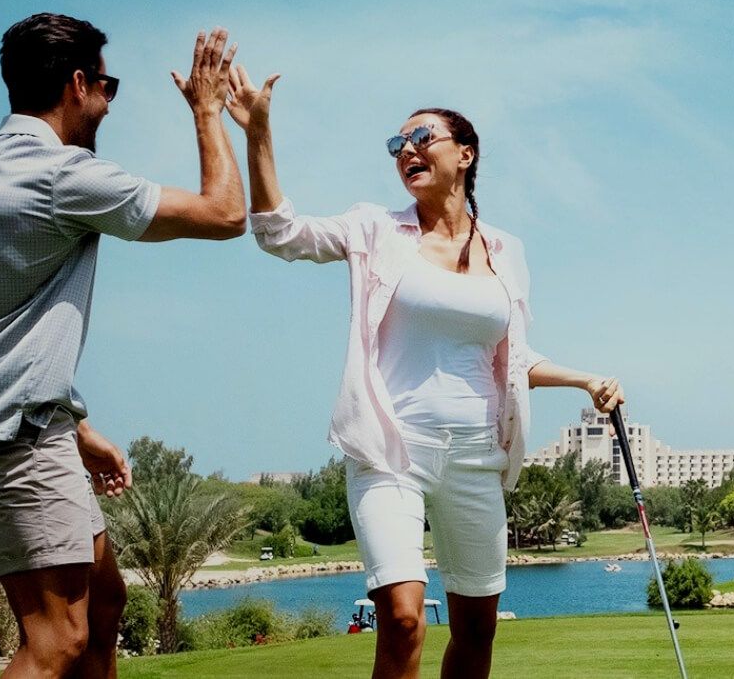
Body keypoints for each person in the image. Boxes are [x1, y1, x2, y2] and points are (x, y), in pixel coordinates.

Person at [226, 66, 625, 679]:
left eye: (421, 137)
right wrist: (258, 134)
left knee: (477, 630)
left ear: (466, 154)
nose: (406, 150)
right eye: (397, 144)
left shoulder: (507, 251)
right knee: (404, 618)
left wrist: (586, 379)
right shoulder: (375, 229)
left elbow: (510, 358)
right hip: (392, 451)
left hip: (477, 456)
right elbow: (279, 233)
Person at [0, 13, 246, 679]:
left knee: (103, 603)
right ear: (77, 84)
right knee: (57, 641)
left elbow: (5, 326)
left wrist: (77, 427)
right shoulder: (60, 174)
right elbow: (226, 214)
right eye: (108, 86)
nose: (108, 102)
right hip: (17, 431)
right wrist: (207, 112)